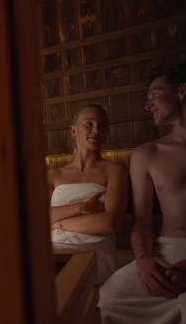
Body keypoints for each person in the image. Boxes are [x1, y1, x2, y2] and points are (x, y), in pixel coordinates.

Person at [99, 63, 186, 323]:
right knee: (110, 299)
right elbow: (140, 222)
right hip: (165, 251)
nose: (147, 105)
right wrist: (143, 260)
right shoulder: (146, 154)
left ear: (182, 91)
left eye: (154, 94)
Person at [47, 104, 129, 286]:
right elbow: (35, 219)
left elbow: (110, 222)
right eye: (89, 124)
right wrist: (81, 207)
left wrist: (58, 224)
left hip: (93, 249)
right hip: (52, 249)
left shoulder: (115, 170)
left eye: (103, 125)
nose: (96, 130)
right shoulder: (54, 175)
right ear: (73, 131)